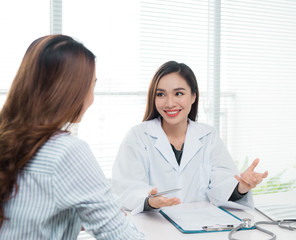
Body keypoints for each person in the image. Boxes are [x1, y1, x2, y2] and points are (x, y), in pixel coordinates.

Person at [0, 35, 145, 239]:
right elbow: (118, 235)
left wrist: (76, 216)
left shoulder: (7, 134)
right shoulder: (66, 150)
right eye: (91, 86)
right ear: (69, 90)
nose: (92, 98)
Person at [112, 60, 268, 214]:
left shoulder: (208, 136)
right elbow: (126, 188)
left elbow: (223, 185)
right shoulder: (138, 136)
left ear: (193, 96)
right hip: (155, 227)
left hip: (200, 226)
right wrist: (149, 201)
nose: (170, 103)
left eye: (178, 93)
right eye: (161, 94)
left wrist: (241, 187)